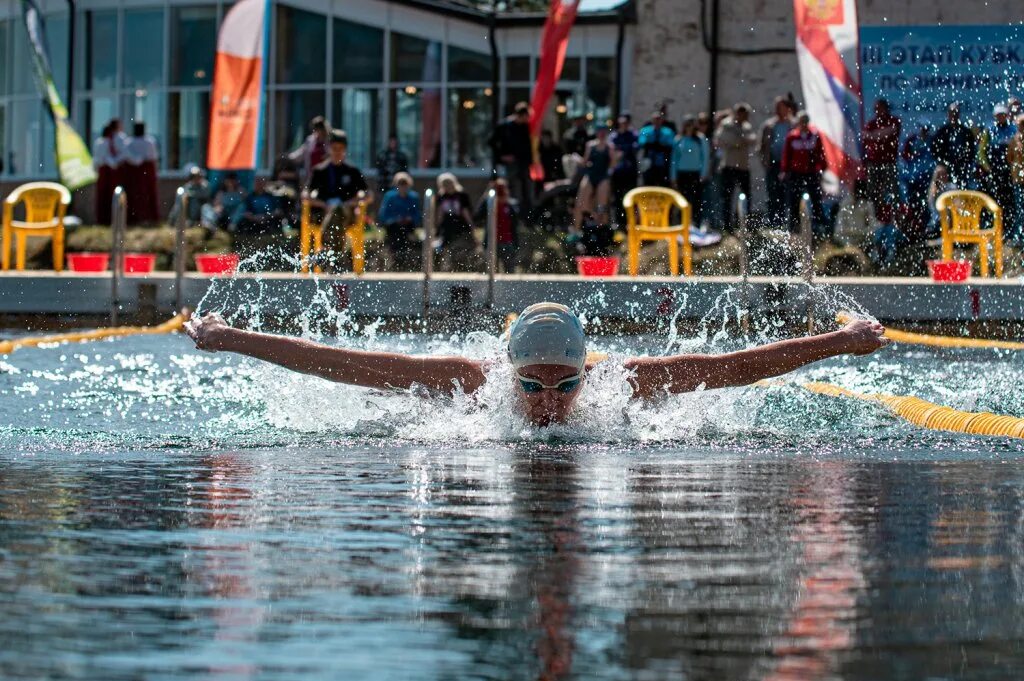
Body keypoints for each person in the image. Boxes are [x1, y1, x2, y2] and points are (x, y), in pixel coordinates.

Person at [184, 303, 889, 428]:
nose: (548, 401)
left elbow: (734, 368)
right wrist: (231, 337)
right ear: (508, 374)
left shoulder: (624, 383)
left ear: (588, 375)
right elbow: (345, 364)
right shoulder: (473, 381)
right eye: (532, 385)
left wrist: (842, 340)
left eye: (564, 384)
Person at [307, 129, 371, 269]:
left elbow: (368, 195)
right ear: (329, 148)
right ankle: (335, 258)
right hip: (323, 213)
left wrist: (351, 202)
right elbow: (306, 195)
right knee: (334, 212)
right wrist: (323, 205)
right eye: (334, 148)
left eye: (341, 149)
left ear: (345, 150)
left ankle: (324, 251)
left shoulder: (352, 171)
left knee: (338, 211)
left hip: (346, 213)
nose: (337, 152)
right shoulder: (319, 170)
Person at [780, 111, 827, 236]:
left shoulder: (814, 136)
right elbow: (787, 155)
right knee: (794, 199)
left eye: (806, 122)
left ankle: (818, 226)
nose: (804, 124)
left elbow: (820, 153)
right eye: (802, 122)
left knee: (816, 198)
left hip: (811, 172)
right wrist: (784, 170)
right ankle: (793, 226)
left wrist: (823, 167)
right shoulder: (792, 137)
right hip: (796, 173)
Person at [714, 103, 758, 230]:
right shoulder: (727, 124)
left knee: (747, 195)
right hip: (729, 165)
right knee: (728, 196)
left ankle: (745, 223)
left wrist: (740, 140)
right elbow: (722, 139)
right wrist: (740, 140)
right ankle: (727, 225)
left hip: (743, 166)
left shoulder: (746, 126)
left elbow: (753, 139)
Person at [862, 99, 902, 223]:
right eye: (876, 109)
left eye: (879, 108)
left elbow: (887, 132)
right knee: (873, 193)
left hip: (889, 163)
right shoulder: (871, 123)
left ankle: (895, 219)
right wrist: (880, 135)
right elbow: (865, 135)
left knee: (892, 192)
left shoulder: (894, 120)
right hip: (873, 164)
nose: (877, 111)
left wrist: (875, 135)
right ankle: (875, 219)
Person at [760, 96, 796, 227]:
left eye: (781, 107)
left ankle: (787, 221)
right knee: (772, 192)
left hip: (789, 166)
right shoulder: (769, 125)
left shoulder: (793, 125)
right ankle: (773, 221)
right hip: (773, 164)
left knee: (787, 193)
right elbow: (763, 146)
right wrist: (765, 161)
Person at [229, 176, 285, 259]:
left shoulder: (271, 197)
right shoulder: (250, 197)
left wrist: (266, 216)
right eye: (257, 182)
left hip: (268, 221)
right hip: (253, 222)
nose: (258, 184)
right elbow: (245, 212)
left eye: (260, 182)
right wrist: (254, 217)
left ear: (264, 184)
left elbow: (278, 211)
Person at [490, 102, 534, 211]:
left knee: (526, 189)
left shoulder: (525, 127)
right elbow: (492, 142)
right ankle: (512, 211)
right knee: (512, 187)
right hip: (509, 164)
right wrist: (502, 156)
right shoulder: (504, 126)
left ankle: (525, 212)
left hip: (523, 163)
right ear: (520, 115)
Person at [376, 172, 422, 270]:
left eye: (405, 184)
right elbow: (384, 214)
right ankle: (396, 261)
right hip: (393, 226)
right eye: (400, 184)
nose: (403, 187)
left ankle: (403, 261)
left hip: (408, 226)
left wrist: (410, 218)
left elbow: (417, 214)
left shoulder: (413, 197)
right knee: (396, 234)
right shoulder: (390, 196)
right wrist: (396, 219)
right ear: (396, 185)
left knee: (405, 234)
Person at [573, 126, 615, 231]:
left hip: (603, 177)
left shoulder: (609, 146)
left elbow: (612, 164)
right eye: (599, 131)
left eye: (603, 132)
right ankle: (576, 231)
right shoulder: (590, 145)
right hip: (590, 175)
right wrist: (576, 159)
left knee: (602, 207)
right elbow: (584, 162)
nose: (601, 134)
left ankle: (603, 232)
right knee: (580, 204)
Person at [979, 103, 1016, 218]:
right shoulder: (989, 131)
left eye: (1003, 114)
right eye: (999, 115)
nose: (1001, 117)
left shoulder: (1013, 129)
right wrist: (988, 168)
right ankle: (993, 224)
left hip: (1009, 172)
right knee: (994, 199)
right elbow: (981, 152)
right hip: (994, 171)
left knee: (1009, 200)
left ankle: (1008, 225)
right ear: (995, 116)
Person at [671, 116, 709, 226]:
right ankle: (682, 225)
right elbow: (674, 159)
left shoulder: (700, 139)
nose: (689, 127)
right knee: (683, 200)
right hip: (682, 174)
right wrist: (673, 176)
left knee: (697, 201)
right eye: (687, 124)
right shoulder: (679, 139)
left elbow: (705, 157)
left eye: (691, 124)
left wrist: (703, 173)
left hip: (695, 173)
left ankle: (696, 224)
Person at [476, 178, 520, 273]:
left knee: (509, 269)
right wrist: (486, 195)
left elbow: (516, 223)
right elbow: (478, 215)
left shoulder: (510, 205)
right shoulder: (489, 203)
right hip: (492, 241)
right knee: (492, 270)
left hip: (507, 241)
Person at [435, 172, 476, 271]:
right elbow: (440, 213)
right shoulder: (441, 196)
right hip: (447, 228)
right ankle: (447, 269)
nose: (448, 187)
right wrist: (437, 228)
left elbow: (466, 212)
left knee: (459, 250)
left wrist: (472, 226)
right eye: (445, 185)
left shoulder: (461, 195)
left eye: (449, 184)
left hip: (461, 227)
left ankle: (461, 269)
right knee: (445, 251)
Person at [931, 103, 977, 189]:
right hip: (946, 167)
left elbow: (971, 151)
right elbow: (935, 150)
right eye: (952, 112)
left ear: (959, 114)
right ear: (948, 114)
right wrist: (943, 163)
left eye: (956, 112)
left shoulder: (966, 132)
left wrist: (966, 163)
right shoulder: (942, 132)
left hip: (962, 168)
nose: (954, 115)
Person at [124, 122, 160, 225]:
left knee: (136, 194)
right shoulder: (149, 141)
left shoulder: (129, 142)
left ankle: (136, 218)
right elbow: (153, 156)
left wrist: (136, 160)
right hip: (146, 170)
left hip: (135, 172)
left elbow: (128, 157)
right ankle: (149, 217)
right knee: (148, 193)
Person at [92, 119, 127, 226]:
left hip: (106, 171)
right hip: (106, 171)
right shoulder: (103, 142)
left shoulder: (102, 142)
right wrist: (112, 163)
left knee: (107, 195)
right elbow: (101, 158)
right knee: (106, 195)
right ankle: (107, 219)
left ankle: (107, 219)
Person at [900, 119, 936, 219]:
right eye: (923, 129)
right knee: (912, 201)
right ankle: (913, 220)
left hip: (927, 177)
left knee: (926, 201)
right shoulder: (912, 140)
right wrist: (913, 154)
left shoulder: (932, 141)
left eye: (926, 129)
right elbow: (905, 156)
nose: (924, 131)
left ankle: (925, 220)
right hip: (913, 177)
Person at [637, 110, 675, 187]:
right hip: (648, 162)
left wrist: (660, 145)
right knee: (647, 185)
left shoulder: (668, 131)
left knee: (662, 185)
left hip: (662, 163)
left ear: (662, 120)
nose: (657, 121)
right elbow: (641, 142)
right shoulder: (645, 130)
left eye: (659, 119)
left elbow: (671, 144)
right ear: (652, 120)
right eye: (655, 119)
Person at [289, 116, 331, 186]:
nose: (318, 131)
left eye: (320, 129)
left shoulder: (329, 141)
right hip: (311, 176)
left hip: (326, 177)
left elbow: (333, 157)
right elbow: (301, 153)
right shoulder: (310, 140)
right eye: (315, 129)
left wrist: (327, 157)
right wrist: (288, 158)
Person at [609, 113, 639, 201]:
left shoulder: (633, 135)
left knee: (631, 196)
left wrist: (622, 149)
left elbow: (636, 147)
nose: (623, 125)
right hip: (617, 171)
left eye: (625, 123)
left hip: (630, 170)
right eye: (622, 123)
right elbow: (611, 148)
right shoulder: (614, 136)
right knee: (617, 197)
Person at [927, 164, 957, 238]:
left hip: (951, 217)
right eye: (939, 175)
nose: (942, 176)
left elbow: (957, 204)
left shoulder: (952, 187)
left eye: (944, 174)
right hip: (938, 219)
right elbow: (932, 207)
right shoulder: (933, 190)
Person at [1007, 115, 1024, 242]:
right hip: (1018, 180)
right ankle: (1019, 237)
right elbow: (1010, 158)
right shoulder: (1014, 140)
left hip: (1018, 178)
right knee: (1019, 210)